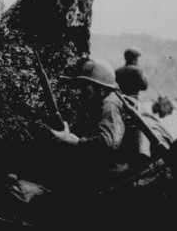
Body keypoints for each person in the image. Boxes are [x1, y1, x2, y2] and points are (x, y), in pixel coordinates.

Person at [49, 58, 152, 191]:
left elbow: (108, 143)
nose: (79, 92)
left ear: (101, 88)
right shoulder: (105, 101)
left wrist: (75, 142)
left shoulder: (110, 103)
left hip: (120, 174)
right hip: (122, 169)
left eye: (85, 86)